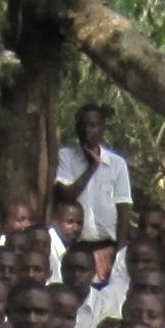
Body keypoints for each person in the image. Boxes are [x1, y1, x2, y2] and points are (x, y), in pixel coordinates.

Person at [53, 104, 134, 255]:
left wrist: (120, 251)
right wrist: (92, 167)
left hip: (107, 245)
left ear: (102, 128)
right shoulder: (66, 157)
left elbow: (123, 209)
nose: (87, 131)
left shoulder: (117, 164)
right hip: (74, 246)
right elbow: (66, 195)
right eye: (82, 126)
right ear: (76, 128)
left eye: (93, 126)